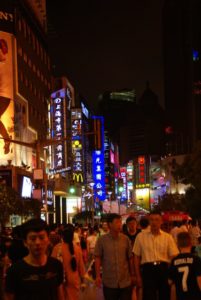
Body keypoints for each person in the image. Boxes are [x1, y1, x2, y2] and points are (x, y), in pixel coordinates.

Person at [4, 218, 64, 300]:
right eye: (33, 238)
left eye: (42, 237)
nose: (37, 243)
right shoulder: (14, 271)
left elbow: (60, 294)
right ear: (25, 242)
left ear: (48, 239)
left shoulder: (56, 265)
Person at [133, 211, 179, 300]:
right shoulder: (140, 236)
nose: (154, 222)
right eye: (152, 220)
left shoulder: (167, 237)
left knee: (165, 295)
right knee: (148, 296)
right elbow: (136, 257)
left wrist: (171, 273)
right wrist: (138, 276)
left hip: (163, 269)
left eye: (157, 220)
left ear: (161, 221)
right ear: (149, 221)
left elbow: (174, 256)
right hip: (147, 270)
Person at [94, 213, 134, 300]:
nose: (119, 224)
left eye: (120, 222)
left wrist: (133, 274)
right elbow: (97, 258)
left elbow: (130, 258)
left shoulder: (125, 239)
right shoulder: (102, 240)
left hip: (125, 282)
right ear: (110, 224)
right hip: (109, 282)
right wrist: (97, 276)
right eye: (117, 222)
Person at [52, 224, 85, 300]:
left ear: (62, 237)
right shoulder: (77, 248)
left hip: (60, 281)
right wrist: (83, 282)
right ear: (72, 237)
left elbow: (52, 265)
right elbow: (81, 267)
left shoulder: (57, 248)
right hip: (74, 280)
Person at [168, 232, 201, 300]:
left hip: (181, 296)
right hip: (195, 296)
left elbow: (170, 281)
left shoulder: (174, 261)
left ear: (178, 245)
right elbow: (199, 280)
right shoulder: (196, 259)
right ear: (191, 243)